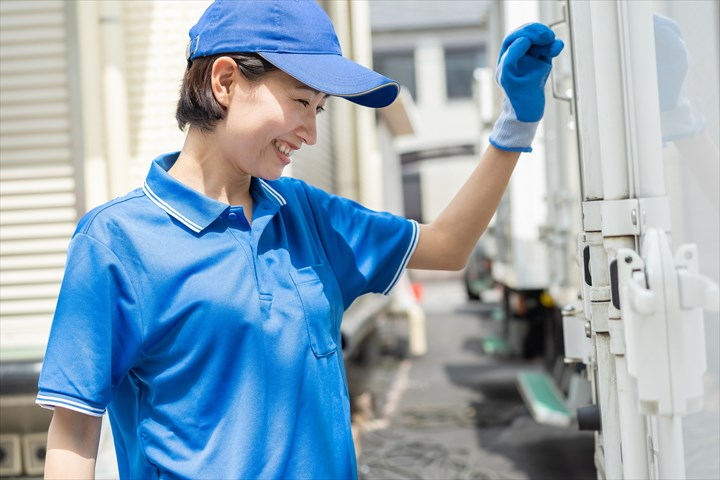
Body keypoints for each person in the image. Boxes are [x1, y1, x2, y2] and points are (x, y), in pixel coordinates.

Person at [37, 1, 563, 478]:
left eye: (320, 109)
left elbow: (448, 245)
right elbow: (76, 431)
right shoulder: (116, 242)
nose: (310, 132)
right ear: (224, 81)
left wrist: (514, 126)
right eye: (299, 101)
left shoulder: (306, 214)